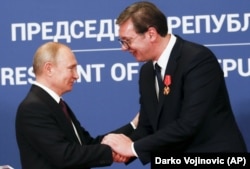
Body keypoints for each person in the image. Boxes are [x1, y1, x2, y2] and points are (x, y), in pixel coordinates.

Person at [101, 1, 247, 165]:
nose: (124, 48)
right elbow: (147, 127)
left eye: (127, 40)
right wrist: (122, 149)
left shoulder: (197, 60)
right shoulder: (147, 72)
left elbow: (188, 125)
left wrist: (132, 148)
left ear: (151, 34)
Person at [15, 41, 138, 169]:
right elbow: (64, 155)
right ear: (49, 69)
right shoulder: (33, 108)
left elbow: (87, 145)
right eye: (71, 68)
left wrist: (134, 125)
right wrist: (112, 151)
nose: (77, 75)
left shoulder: (56, 104)